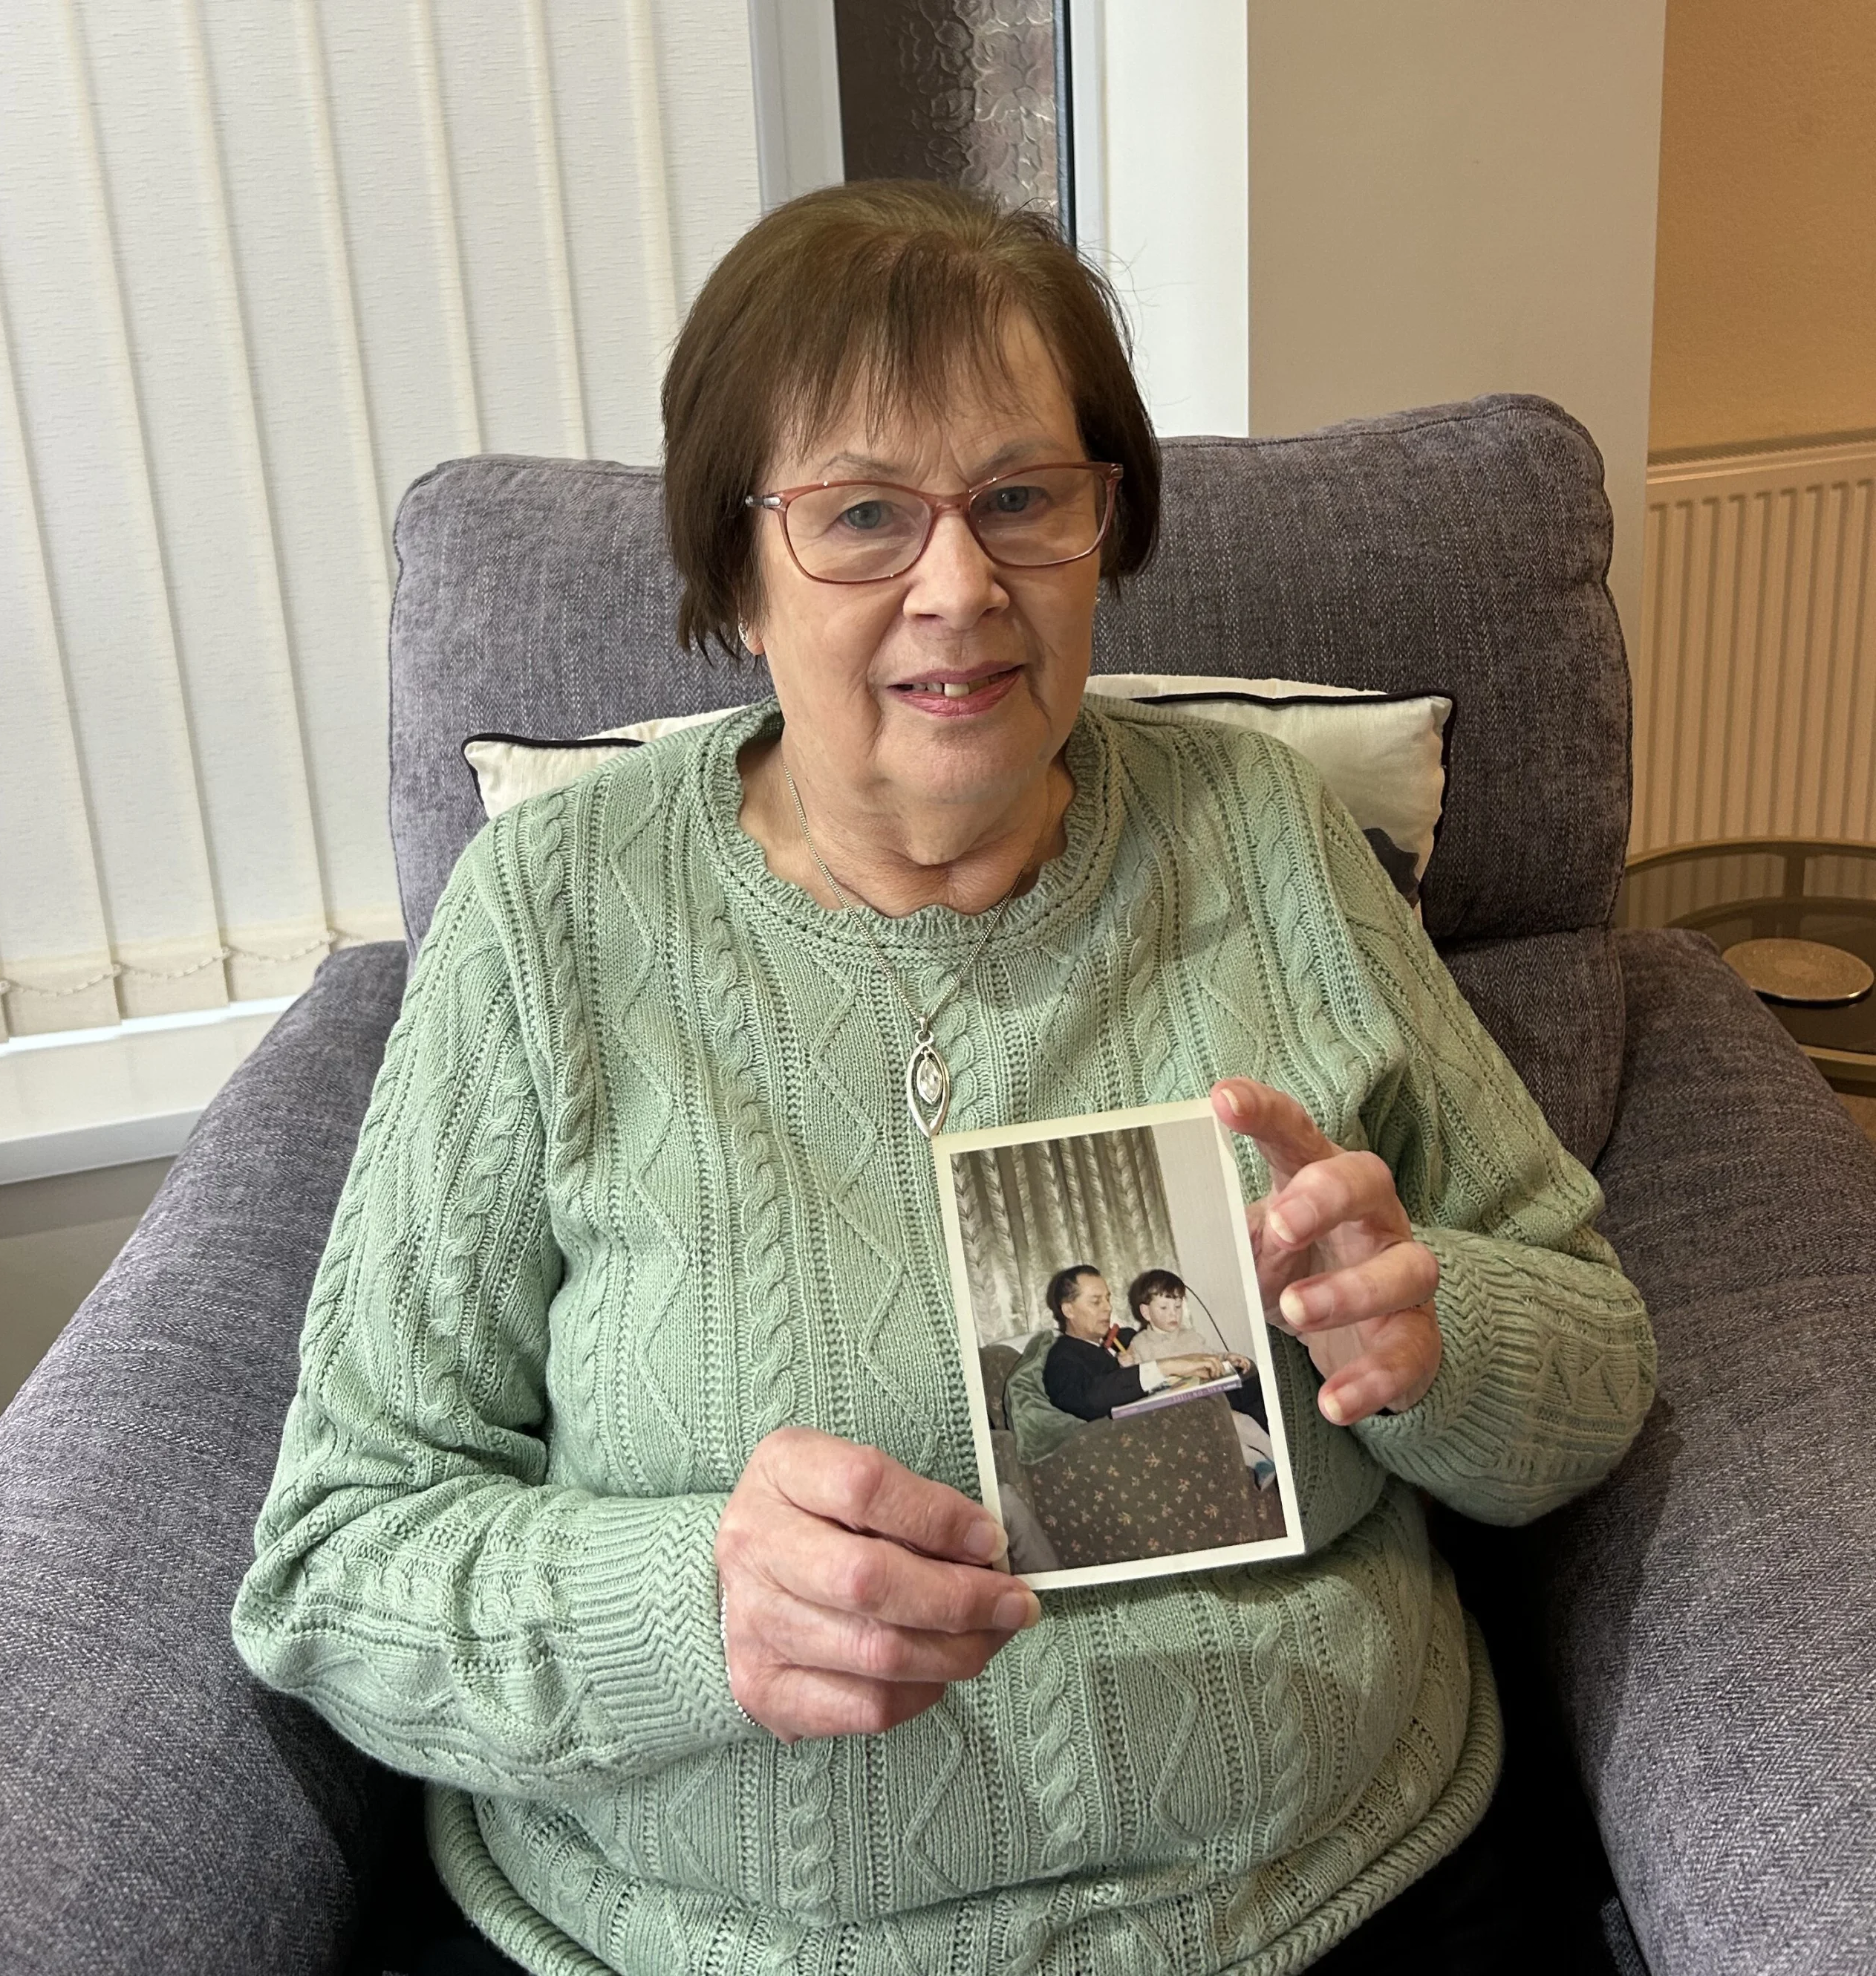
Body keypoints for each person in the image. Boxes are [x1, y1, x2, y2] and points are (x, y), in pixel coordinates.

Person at [231, 180, 1655, 1975]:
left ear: (1101, 530)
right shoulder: (552, 921)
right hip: (696, 1935)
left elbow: (1598, 1366)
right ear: (734, 579)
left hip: (1317, 1893)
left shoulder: (1272, 847)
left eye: (1021, 501)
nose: (962, 585)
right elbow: (335, 1560)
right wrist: (687, 1609)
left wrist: (1436, 1335)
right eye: (863, 519)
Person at [1123, 1267, 1280, 1485]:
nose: (1173, 1314)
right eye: (1164, 1307)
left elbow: (1212, 1355)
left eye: (1178, 1306)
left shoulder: (1191, 1337)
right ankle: (1258, 1462)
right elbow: (1135, 1379)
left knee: (1239, 1422)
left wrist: (1229, 1358)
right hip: (1174, 1413)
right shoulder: (1140, 1344)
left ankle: (1277, 1456)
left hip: (1209, 1403)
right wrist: (1127, 1365)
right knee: (1220, 1438)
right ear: (1146, 1312)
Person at [1042, 1263, 1227, 1420]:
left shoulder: (1127, 1337)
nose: (1108, 1307)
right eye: (1096, 1302)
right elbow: (1086, 1400)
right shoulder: (1063, 1357)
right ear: (1069, 1311)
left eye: (1108, 1299)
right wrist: (1165, 1367)